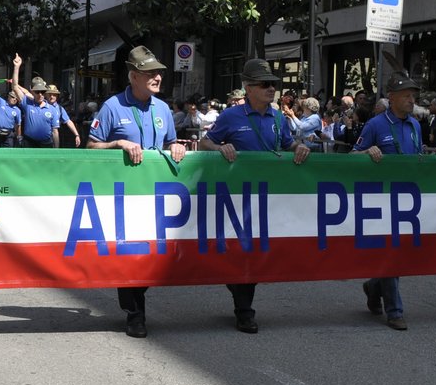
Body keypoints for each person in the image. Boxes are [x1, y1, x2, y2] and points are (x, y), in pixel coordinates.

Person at [199, 58, 311, 333]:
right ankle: (245, 311)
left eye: (272, 84)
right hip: (237, 196)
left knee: (256, 251)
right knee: (244, 250)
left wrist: (298, 146)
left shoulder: (277, 117)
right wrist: (218, 148)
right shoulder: (231, 116)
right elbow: (205, 141)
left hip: (267, 197)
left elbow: (286, 143)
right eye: (264, 84)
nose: (271, 89)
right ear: (248, 88)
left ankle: (239, 290)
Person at [88, 47, 189, 338]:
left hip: (156, 196)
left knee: (151, 256)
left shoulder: (162, 109)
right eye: (150, 73)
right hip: (124, 197)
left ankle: (131, 298)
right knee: (133, 254)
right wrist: (116, 144)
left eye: (159, 72)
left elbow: (171, 142)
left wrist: (177, 146)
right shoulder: (112, 107)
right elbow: (91, 147)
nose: (158, 77)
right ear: (133, 76)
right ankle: (135, 313)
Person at [354, 70, 436, 330]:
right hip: (382, 200)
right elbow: (352, 156)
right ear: (392, 97)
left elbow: (417, 158)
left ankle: (373, 287)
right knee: (392, 252)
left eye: (413, 95)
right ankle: (394, 310)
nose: (411, 100)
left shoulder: (416, 125)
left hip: (408, 200)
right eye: (406, 95)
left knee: (399, 253)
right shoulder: (376, 124)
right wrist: (366, 152)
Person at [15, 76, 59, 147]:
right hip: (29, 144)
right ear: (32, 92)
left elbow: (55, 131)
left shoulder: (53, 109)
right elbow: (15, 87)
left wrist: (56, 149)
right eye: (37, 92)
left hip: (46, 144)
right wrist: (17, 67)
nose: (40, 94)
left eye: (43, 92)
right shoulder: (27, 103)